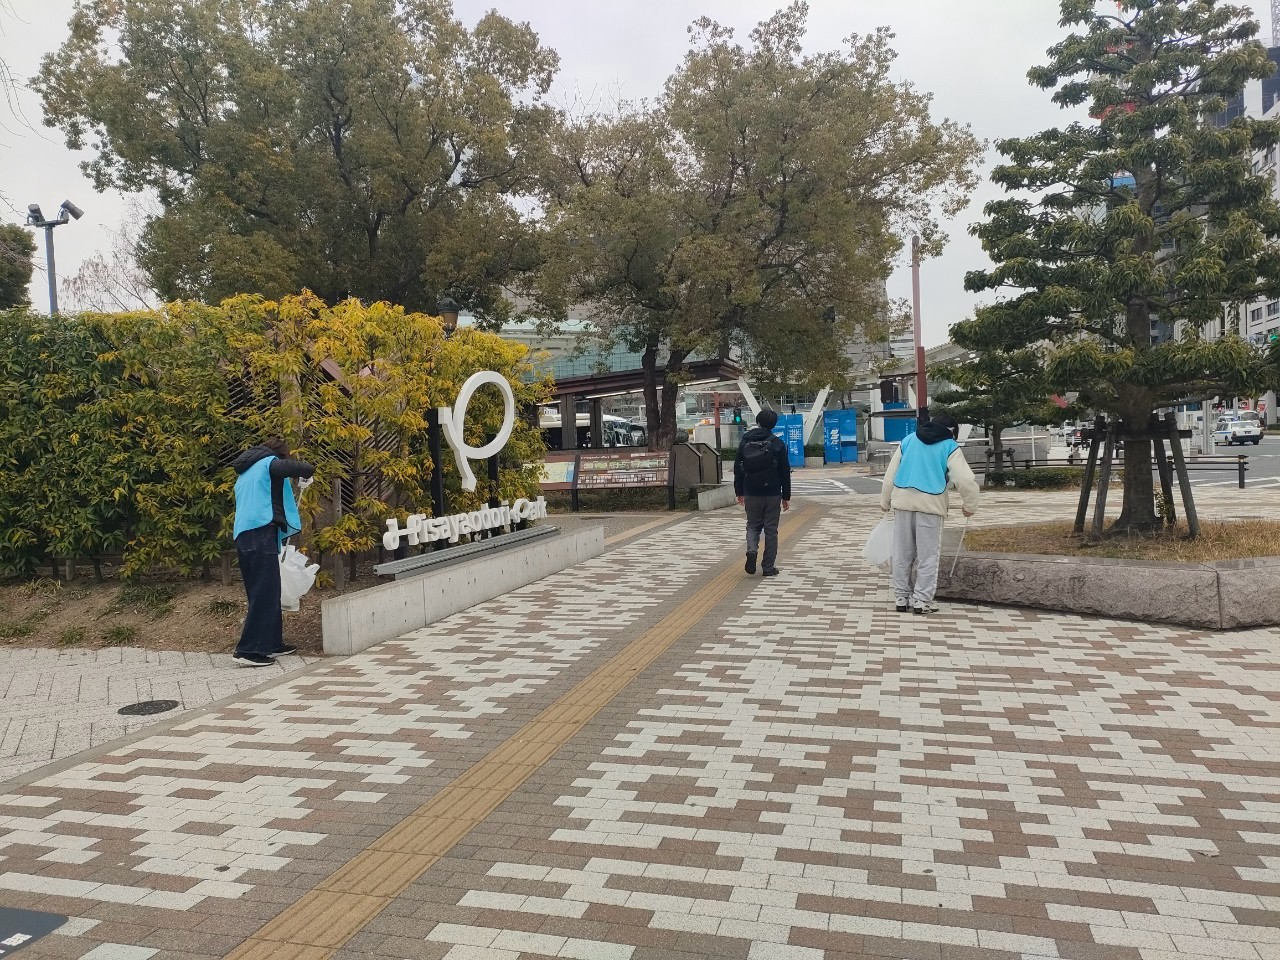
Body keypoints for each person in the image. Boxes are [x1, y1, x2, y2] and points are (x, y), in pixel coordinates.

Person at [879, 414, 979, 615]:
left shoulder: (908, 440)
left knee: (902, 553)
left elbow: (891, 474)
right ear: (953, 431)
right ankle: (922, 601)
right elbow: (964, 479)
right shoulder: (949, 446)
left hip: (902, 503)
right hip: (931, 505)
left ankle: (901, 597)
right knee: (928, 556)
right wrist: (970, 505)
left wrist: (885, 501)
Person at [230, 438, 315, 666]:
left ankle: (271, 643)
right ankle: (248, 650)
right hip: (260, 532)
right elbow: (298, 467)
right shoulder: (268, 462)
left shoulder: (246, 471)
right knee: (264, 592)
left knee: (267, 590)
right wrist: (307, 472)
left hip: (245, 534)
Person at [734, 409, 791, 577]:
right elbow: (784, 471)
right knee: (771, 530)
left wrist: (739, 491)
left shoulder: (745, 441)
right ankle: (768, 567)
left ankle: (752, 550)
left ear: (758, 422)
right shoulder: (777, 443)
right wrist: (786, 496)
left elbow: (737, 468)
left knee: (753, 525)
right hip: (772, 493)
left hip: (751, 491)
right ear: (774, 424)